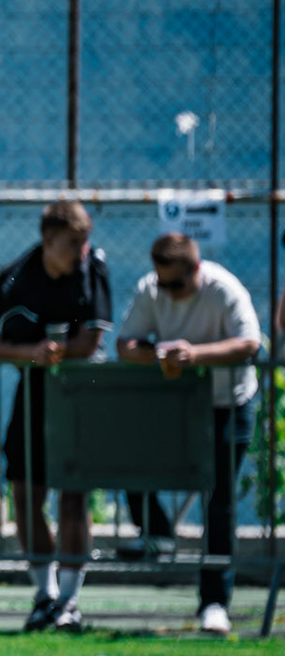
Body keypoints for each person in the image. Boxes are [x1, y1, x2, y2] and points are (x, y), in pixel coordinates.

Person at [115, 233, 262, 635]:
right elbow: (124, 344)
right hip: (175, 405)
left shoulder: (224, 288)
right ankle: (158, 533)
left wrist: (195, 356)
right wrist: (155, 354)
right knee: (127, 458)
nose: (168, 293)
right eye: (163, 284)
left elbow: (250, 343)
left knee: (220, 501)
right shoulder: (150, 289)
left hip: (228, 403)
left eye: (176, 285)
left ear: (196, 269)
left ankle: (214, 602)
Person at [0, 198, 111, 632]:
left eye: (86, 240)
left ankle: (71, 600)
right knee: (24, 495)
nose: (82, 250)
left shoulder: (93, 273)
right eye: (74, 242)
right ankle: (45, 594)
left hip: (78, 398)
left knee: (74, 496)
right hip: (33, 395)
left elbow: (91, 342)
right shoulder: (14, 277)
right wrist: (31, 355)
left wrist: (63, 353)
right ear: (49, 240)